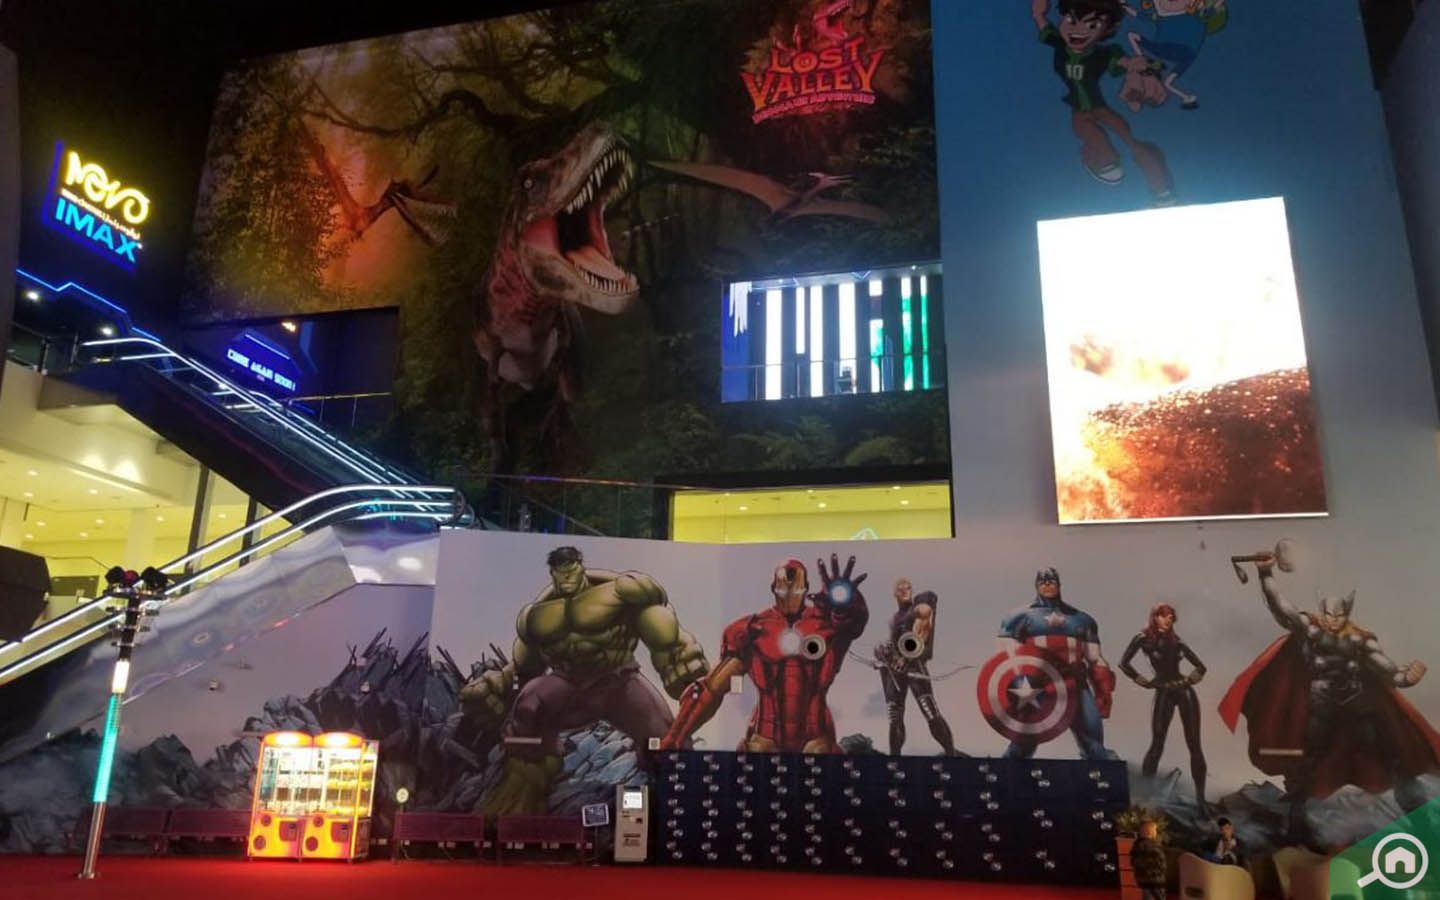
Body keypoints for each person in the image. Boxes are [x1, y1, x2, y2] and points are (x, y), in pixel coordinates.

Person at [458, 546, 709, 815]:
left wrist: (678, 658)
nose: (567, 576)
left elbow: (664, 635)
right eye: (560, 571)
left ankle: (681, 809)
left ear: (580, 566)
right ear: (552, 573)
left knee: (665, 736)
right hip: (568, 684)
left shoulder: (622, 591)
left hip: (618, 682)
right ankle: (519, 802)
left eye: (572, 569)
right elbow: (524, 668)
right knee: (529, 706)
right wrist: (500, 684)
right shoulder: (535, 616)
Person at [1220, 554, 1439, 841]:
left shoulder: (1360, 640)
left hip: (1358, 707)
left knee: (1393, 758)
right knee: (1305, 766)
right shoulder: (1311, 631)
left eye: (1338, 615)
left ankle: (1423, 824)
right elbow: (1281, 607)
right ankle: (1296, 829)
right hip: (1321, 707)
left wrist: (1407, 677)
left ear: (1347, 613)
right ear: (1321, 610)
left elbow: (1389, 672)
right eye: (1328, 614)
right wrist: (1265, 574)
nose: (1332, 620)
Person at [661, 554, 868, 753]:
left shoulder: (827, 627)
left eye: (796, 587)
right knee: (757, 750)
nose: (789, 593)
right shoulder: (752, 631)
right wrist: (673, 739)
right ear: (773, 588)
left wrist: (847, 603)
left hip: (816, 740)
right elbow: (710, 689)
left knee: (819, 753)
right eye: (783, 587)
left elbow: (854, 621)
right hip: (765, 740)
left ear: (806, 589)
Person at [1030, 0, 1176, 204]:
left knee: (1132, 142)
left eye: (1092, 25)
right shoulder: (1061, 46)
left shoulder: (1102, 54)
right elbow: (1045, 27)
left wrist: (1133, 64)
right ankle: (1108, 165)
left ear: (1108, 29)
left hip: (1100, 108)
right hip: (1080, 111)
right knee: (1093, 136)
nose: (1078, 30)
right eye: (1071, 20)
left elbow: (1119, 61)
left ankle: (1162, 191)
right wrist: (1038, 13)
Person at [997, 568, 1117, 759]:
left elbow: (1095, 658)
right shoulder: (1019, 618)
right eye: (1043, 581)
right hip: (1039, 685)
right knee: (1024, 742)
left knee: (1093, 742)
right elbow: (1010, 658)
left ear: (1059, 585)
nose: (1047, 584)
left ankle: (1103, 773)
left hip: (1075, 684)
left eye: (1051, 581)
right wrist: (1019, 687)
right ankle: (1005, 773)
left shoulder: (1082, 620)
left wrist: (1104, 691)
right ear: (1036, 585)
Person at [1119, 603, 1209, 814]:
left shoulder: (1176, 641)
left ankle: (1201, 801)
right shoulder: (1143, 638)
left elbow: (1201, 667)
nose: (1168, 620)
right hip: (1163, 692)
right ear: (1155, 617)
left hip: (1184, 692)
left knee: (1194, 744)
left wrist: (1188, 680)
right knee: (1157, 744)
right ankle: (1144, 798)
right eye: (1164, 616)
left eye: (1171, 617)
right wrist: (1141, 680)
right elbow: (1124, 663)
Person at [875, 578, 957, 755]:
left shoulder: (919, 609)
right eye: (901, 589)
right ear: (894, 594)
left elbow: (921, 632)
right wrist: (882, 651)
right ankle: (894, 757)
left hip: (914, 666)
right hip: (894, 669)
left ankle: (951, 753)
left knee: (930, 711)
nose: (906, 591)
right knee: (894, 716)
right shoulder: (894, 619)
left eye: (908, 588)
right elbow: (892, 644)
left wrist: (905, 658)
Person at [1132, 819, 1168, 900]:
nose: (1156, 832)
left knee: (1147, 895)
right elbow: (1158, 861)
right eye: (1155, 830)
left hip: (1143, 879)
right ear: (1150, 833)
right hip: (1155, 879)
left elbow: (1134, 862)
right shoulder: (1152, 846)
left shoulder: (1137, 846)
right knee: (1159, 896)